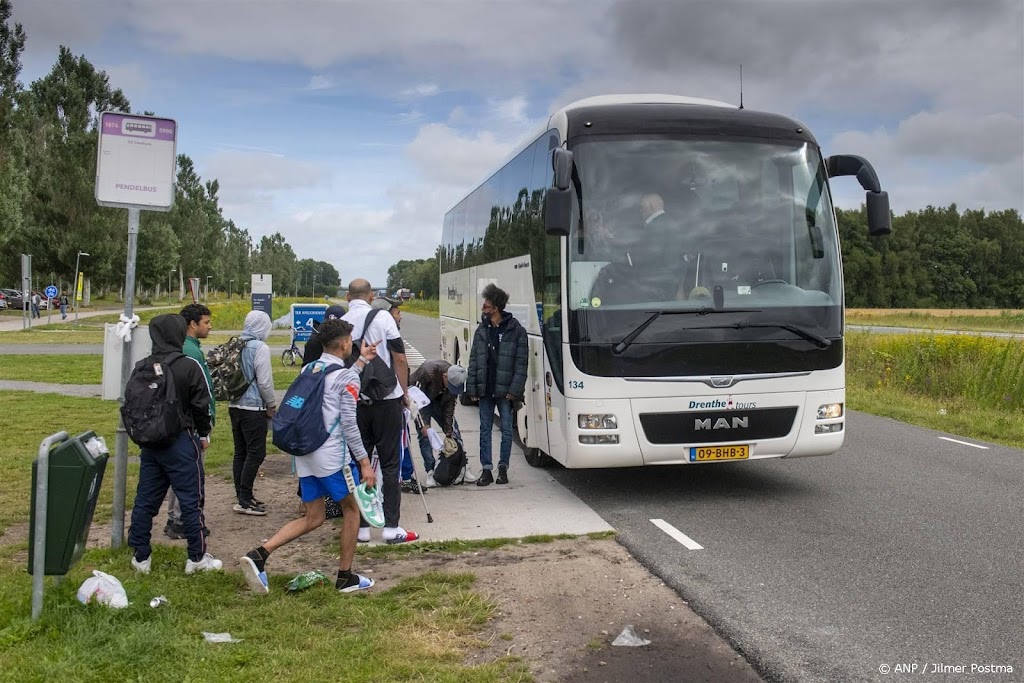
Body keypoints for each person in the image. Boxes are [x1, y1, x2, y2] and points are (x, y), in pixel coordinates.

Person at [240, 319, 379, 594]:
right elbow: (349, 424)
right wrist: (364, 462)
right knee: (352, 511)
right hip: (332, 456)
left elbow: (336, 381)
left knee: (314, 517)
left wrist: (361, 361)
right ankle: (345, 577)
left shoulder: (311, 367)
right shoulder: (347, 377)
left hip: (305, 453)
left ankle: (260, 555)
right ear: (344, 344)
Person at [127, 314, 221, 575]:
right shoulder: (188, 365)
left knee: (145, 500)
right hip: (181, 439)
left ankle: (140, 556)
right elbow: (201, 405)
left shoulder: (142, 366)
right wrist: (204, 434)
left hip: (151, 442)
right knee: (191, 500)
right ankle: (196, 557)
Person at [342, 279, 418, 544]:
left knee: (359, 462)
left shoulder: (343, 321)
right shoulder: (384, 318)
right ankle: (390, 526)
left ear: (348, 296)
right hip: (387, 401)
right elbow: (399, 357)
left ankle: (362, 527)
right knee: (390, 462)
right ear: (372, 295)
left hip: (357, 401)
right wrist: (403, 391)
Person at [466, 283, 528, 486]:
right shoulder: (481, 330)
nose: (483, 310)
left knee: (507, 430)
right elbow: (474, 360)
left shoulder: (516, 330)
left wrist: (514, 391)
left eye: (486, 307)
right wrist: (472, 388)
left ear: (496, 308)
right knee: (485, 429)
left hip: (505, 391)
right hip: (485, 389)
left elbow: (521, 364)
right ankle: (486, 469)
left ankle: (503, 468)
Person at [165, 304, 215, 540]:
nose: (210, 326)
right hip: (192, 423)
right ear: (192, 324)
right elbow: (201, 393)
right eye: (206, 322)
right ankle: (182, 520)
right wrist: (204, 428)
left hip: (183, 420)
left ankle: (174, 518)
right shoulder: (191, 352)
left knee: (181, 471)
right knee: (190, 473)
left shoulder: (187, 347)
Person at [229, 310, 277, 516]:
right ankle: (245, 499)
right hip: (254, 406)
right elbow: (264, 382)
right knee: (256, 452)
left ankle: (241, 495)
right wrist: (271, 405)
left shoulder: (236, 344)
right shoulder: (260, 348)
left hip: (235, 405)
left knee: (241, 452)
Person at [410, 360, 467, 487]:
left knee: (454, 430)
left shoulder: (454, 379)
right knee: (424, 434)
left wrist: (448, 431)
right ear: (444, 376)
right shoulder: (427, 372)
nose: (450, 389)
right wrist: (423, 423)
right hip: (421, 400)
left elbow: (449, 408)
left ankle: (461, 465)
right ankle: (430, 471)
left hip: (438, 400)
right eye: (449, 385)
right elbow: (415, 400)